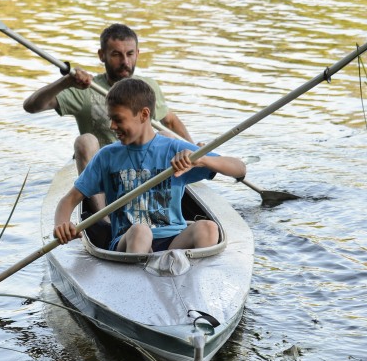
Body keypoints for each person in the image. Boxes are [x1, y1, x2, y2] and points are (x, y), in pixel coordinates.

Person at [53, 79, 246, 254]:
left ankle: (200, 285)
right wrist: (61, 225)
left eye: (118, 119)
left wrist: (202, 160)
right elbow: (68, 201)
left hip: (174, 242)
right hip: (129, 242)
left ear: (144, 114)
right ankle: (138, 284)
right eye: (110, 118)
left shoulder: (173, 148)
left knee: (208, 227)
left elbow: (239, 169)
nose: (112, 126)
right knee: (140, 231)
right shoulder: (107, 157)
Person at [23, 23, 193, 176]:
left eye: (130, 54)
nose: (125, 61)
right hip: (104, 171)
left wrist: (196, 151)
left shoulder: (148, 86)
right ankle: (102, 211)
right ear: (102, 55)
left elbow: (170, 121)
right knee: (85, 141)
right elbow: (31, 106)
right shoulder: (84, 89)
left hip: (142, 167)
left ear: (138, 54)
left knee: (166, 136)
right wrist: (65, 82)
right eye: (116, 55)